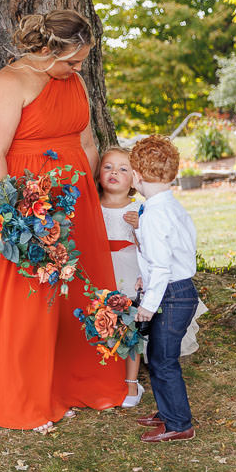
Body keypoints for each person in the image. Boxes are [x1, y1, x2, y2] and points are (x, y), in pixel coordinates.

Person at [0, 10, 127, 434]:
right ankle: (21, 394)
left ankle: (75, 382)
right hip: (26, 201)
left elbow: (86, 139)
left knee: (76, 293)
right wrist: (11, 218)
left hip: (74, 198)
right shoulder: (9, 83)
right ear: (47, 50)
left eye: (82, 61)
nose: (78, 68)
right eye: (72, 60)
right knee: (27, 302)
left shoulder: (74, 81)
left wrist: (94, 195)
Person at [129, 136, 200, 442]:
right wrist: (146, 278)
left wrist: (147, 304)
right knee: (158, 353)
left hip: (171, 295)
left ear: (137, 176)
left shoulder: (155, 214)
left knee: (162, 358)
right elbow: (177, 251)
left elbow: (162, 267)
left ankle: (179, 423)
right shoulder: (170, 206)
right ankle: (169, 409)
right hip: (179, 289)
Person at [99, 146, 145, 407]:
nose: (114, 172)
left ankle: (131, 383)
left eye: (123, 169)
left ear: (134, 180)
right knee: (104, 325)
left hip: (128, 273)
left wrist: (140, 226)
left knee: (129, 328)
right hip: (101, 272)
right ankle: (105, 376)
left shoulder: (138, 208)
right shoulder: (91, 206)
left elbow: (151, 245)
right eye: (108, 167)